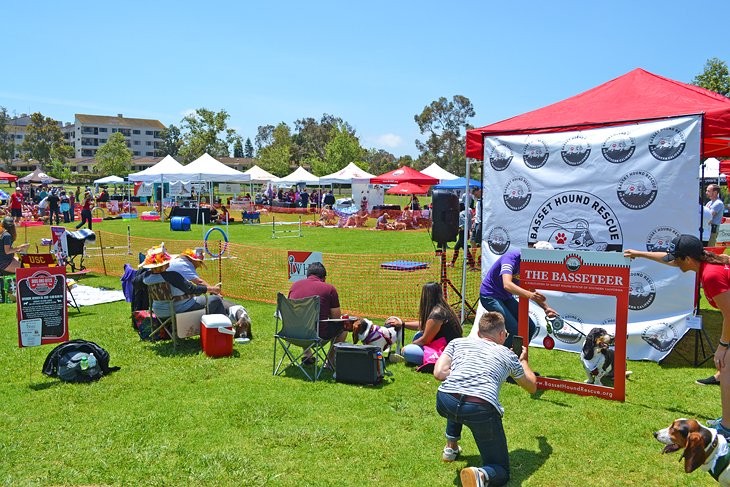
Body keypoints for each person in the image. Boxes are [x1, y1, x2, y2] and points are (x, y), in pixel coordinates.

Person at [625, 235, 730, 437]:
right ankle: (727, 423)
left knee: (725, 370)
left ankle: (726, 428)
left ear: (688, 260)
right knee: (725, 372)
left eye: (677, 257)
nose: (673, 261)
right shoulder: (706, 261)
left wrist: (723, 346)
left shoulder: (711, 275)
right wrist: (639, 254)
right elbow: (667, 259)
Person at [434, 311, 537, 486]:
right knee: (501, 469)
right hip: (479, 408)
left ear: (480, 333)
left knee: (460, 394)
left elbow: (439, 373)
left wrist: (463, 373)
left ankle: (451, 447)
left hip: (445, 401)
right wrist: (523, 361)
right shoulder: (509, 356)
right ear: (502, 334)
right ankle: (481, 474)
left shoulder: (457, 343)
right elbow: (532, 387)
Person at [472, 241, 558, 348]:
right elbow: (507, 285)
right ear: (534, 252)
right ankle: (500, 358)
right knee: (515, 329)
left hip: (505, 297)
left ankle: (518, 358)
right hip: (490, 295)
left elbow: (531, 289)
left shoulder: (531, 263)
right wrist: (529, 295)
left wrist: (546, 308)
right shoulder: (511, 258)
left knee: (530, 327)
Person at [386, 282, 463, 366]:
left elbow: (425, 340)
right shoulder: (442, 308)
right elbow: (424, 325)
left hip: (446, 351)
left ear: (426, 295)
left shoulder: (437, 314)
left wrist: (410, 345)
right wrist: (402, 324)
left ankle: (436, 361)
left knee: (407, 351)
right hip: (448, 345)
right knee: (418, 335)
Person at [141, 245, 224, 318]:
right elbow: (191, 289)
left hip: (158, 311)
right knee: (216, 300)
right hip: (179, 308)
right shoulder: (172, 276)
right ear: (164, 264)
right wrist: (212, 289)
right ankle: (222, 329)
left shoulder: (147, 277)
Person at [288, 262, 348, 363]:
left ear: (307, 276)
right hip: (317, 336)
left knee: (304, 320)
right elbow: (336, 318)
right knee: (344, 327)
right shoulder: (329, 289)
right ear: (324, 278)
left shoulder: (294, 286)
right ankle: (330, 360)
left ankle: (307, 354)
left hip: (291, 334)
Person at [449, 203, 475, 268]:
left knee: (464, 249)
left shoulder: (461, 214)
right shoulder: (468, 212)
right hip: (467, 232)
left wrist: (458, 228)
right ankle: (452, 263)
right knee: (457, 247)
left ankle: (472, 263)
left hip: (462, 232)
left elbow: (464, 224)